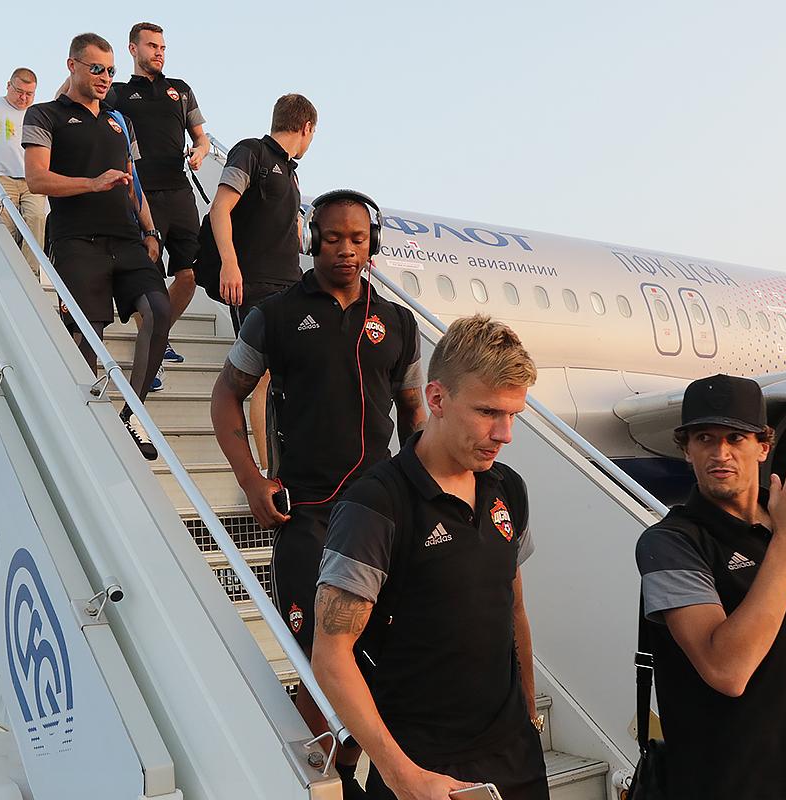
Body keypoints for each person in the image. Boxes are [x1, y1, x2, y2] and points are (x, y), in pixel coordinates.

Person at [210, 190, 427, 799]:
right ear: (311, 240)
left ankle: (357, 774)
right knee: (316, 659)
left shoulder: (399, 325)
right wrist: (252, 480)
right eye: (333, 238)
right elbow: (226, 394)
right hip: (304, 515)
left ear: (372, 243)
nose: (346, 250)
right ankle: (321, 782)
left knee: (374, 653)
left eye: (357, 239)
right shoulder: (274, 315)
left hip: (377, 517)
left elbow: (413, 412)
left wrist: (419, 492)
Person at [312, 314, 549, 800]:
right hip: (423, 769)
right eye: (488, 412)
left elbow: (514, 607)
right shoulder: (376, 505)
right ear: (437, 399)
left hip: (516, 757)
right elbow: (331, 656)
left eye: (513, 415)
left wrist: (529, 714)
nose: (505, 434)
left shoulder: (509, 489)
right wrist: (403, 777)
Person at [635, 374, 786, 799]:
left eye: (736, 438)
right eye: (704, 438)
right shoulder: (672, 542)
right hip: (732, 781)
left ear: (762, 446)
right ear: (686, 449)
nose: (720, 453)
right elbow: (727, 670)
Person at [23, 32, 171, 461]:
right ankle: (81, 433)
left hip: (127, 239)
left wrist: (150, 231)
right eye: (96, 69)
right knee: (87, 337)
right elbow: (36, 178)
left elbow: (132, 180)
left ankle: (133, 414)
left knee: (159, 311)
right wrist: (91, 183)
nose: (106, 77)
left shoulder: (119, 120)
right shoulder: (44, 114)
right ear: (72, 65)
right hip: (76, 241)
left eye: (111, 70)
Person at [200, 93, 315, 470]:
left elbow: (292, 235)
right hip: (254, 285)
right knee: (263, 375)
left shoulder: (292, 174)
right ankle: (269, 470)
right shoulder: (251, 152)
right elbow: (220, 209)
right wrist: (229, 265)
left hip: (289, 286)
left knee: (291, 373)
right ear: (306, 127)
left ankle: (289, 458)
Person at [108, 22, 211, 369]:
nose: (159, 52)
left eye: (163, 47)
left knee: (191, 274)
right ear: (132, 49)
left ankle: (156, 337)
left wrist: (199, 151)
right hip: (140, 195)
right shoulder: (117, 92)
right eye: (152, 46)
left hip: (180, 192)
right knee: (147, 281)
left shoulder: (180, 90)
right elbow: (72, 102)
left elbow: (202, 138)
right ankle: (153, 348)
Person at [0, 68, 46, 277]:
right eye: (19, 92)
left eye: (29, 94)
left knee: (36, 219)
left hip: (32, 179)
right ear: (8, 85)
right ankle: (5, 273)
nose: (23, 98)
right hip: (0, 177)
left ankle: (29, 275)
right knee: (5, 227)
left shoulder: (38, 113)